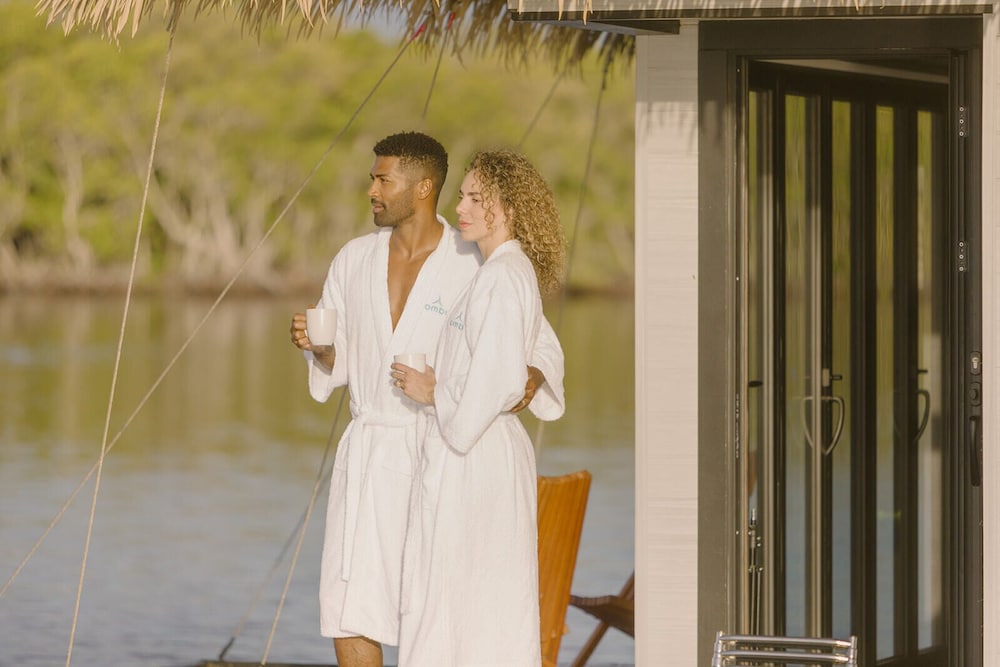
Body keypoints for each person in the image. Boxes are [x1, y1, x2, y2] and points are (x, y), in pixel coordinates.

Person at [288, 132, 564, 667]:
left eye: (382, 179)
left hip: (440, 450)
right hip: (371, 448)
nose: (371, 189)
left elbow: (538, 346)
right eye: (373, 178)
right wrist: (320, 350)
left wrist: (526, 379)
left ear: (422, 187)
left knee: (433, 614)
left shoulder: (475, 259)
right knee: (349, 606)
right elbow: (338, 359)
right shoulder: (353, 259)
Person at [393, 149, 567, 667]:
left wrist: (433, 391)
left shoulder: (502, 277)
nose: (461, 207)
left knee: (467, 598)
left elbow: (497, 382)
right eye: (463, 195)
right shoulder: (499, 272)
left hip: (476, 453)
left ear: (508, 209)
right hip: (481, 452)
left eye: (476, 198)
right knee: (472, 598)